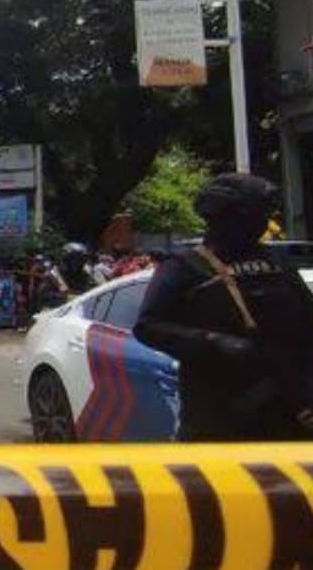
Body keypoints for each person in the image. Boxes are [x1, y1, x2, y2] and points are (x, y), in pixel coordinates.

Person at [134, 173, 313, 441]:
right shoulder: (186, 267)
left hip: (290, 416)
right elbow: (148, 326)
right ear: (227, 217)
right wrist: (213, 341)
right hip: (220, 419)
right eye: (255, 214)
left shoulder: (275, 262)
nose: (262, 222)